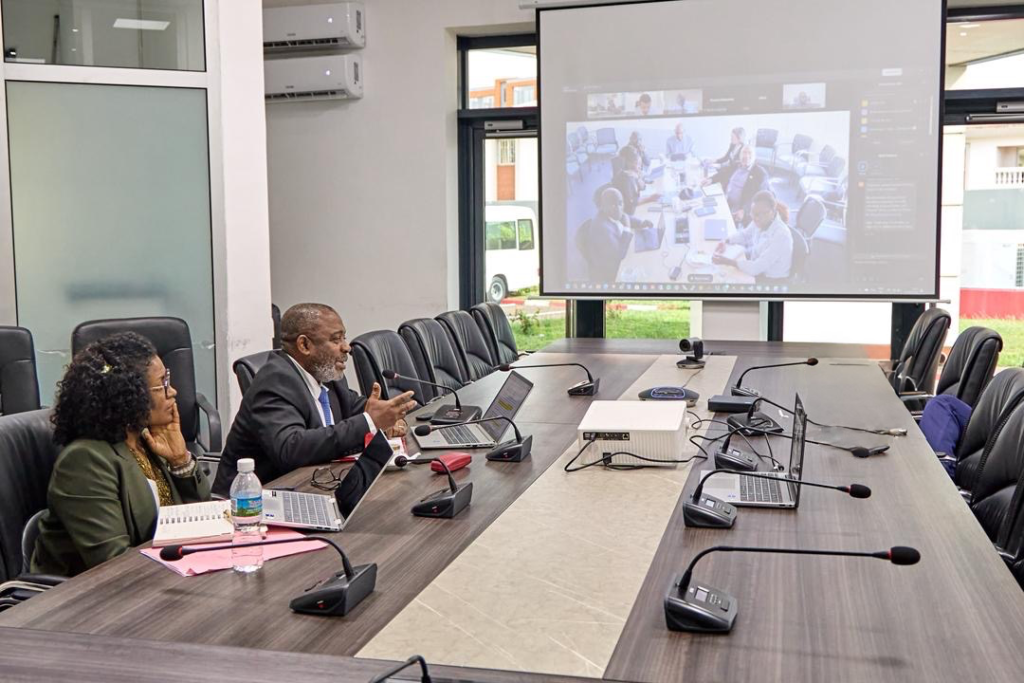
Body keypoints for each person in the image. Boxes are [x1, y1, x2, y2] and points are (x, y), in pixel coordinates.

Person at [31, 333, 210, 577]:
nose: (174, 392)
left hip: (157, 578)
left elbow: (200, 521)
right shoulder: (85, 461)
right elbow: (114, 564)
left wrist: (180, 461)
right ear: (129, 395)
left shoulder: (146, 440)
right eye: (162, 384)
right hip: (90, 601)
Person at [212, 303, 416, 496]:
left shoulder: (327, 377)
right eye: (336, 340)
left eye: (344, 338)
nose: (346, 348)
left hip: (310, 488)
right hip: (247, 506)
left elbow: (357, 407)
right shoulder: (275, 381)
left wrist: (387, 417)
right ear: (304, 345)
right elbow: (290, 448)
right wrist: (370, 421)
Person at [714, 190, 793, 280]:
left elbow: (756, 268)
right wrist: (726, 240)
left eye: (758, 215)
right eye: (753, 213)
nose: (754, 218)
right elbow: (744, 235)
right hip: (755, 259)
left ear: (771, 212)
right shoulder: (760, 219)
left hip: (770, 278)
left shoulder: (781, 236)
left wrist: (728, 262)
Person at [577, 187, 649, 283]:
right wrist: (627, 229)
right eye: (614, 205)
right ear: (602, 206)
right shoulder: (602, 228)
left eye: (620, 203)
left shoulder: (611, 212)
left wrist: (641, 222)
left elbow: (625, 216)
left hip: (616, 249)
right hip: (609, 270)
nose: (619, 207)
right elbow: (620, 254)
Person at [708, 144, 768, 224]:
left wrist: (744, 210)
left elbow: (759, 197)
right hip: (724, 201)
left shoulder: (760, 173)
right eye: (744, 152)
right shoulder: (736, 165)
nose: (746, 156)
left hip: (739, 210)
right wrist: (711, 179)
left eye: (749, 153)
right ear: (740, 155)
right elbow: (723, 173)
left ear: (754, 157)